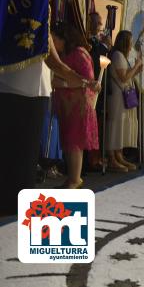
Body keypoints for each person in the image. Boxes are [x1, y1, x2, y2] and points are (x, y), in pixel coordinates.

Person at [0, 27, 87, 214]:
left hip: (11, 86)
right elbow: (54, 63)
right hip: (32, 90)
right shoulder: (37, 19)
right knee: (24, 150)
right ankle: (14, 199)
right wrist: (83, 81)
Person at [51, 23, 101, 188]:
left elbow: (88, 80)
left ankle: (75, 179)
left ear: (64, 38)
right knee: (68, 140)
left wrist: (63, 83)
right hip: (67, 105)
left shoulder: (79, 53)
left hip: (78, 105)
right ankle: (72, 178)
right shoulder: (62, 54)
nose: (52, 42)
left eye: (54, 38)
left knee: (75, 142)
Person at [106, 30, 142, 172]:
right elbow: (123, 77)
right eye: (130, 41)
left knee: (122, 125)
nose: (132, 44)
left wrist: (137, 70)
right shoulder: (117, 55)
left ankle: (118, 154)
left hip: (123, 94)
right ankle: (112, 157)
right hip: (117, 95)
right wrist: (135, 66)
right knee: (116, 124)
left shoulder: (122, 56)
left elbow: (129, 76)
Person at [87, 12, 112, 170]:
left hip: (99, 88)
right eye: (98, 22)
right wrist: (104, 47)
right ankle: (90, 160)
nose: (100, 25)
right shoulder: (89, 42)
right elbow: (96, 62)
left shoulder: (97, 41)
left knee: (97, 125)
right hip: (91, 85)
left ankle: (96, 158)